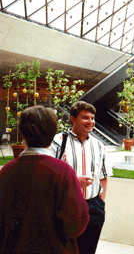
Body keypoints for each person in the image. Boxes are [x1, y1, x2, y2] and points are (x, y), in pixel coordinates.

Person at [0, 106, 89, 254]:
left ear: (22, 134)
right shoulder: (63, 171)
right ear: (53, 133)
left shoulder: (7, 171)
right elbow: (76, 222)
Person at [50, 101, 113, 254]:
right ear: (73, 119)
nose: (91, 122)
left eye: (92, 118)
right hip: (66, 205)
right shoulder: (57, 142)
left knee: (88, 250)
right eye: (85, 118)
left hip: (93, 207)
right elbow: (48, 176)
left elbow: (103, 176)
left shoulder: (99, 145)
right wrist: (74, 182)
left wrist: (100, 203)